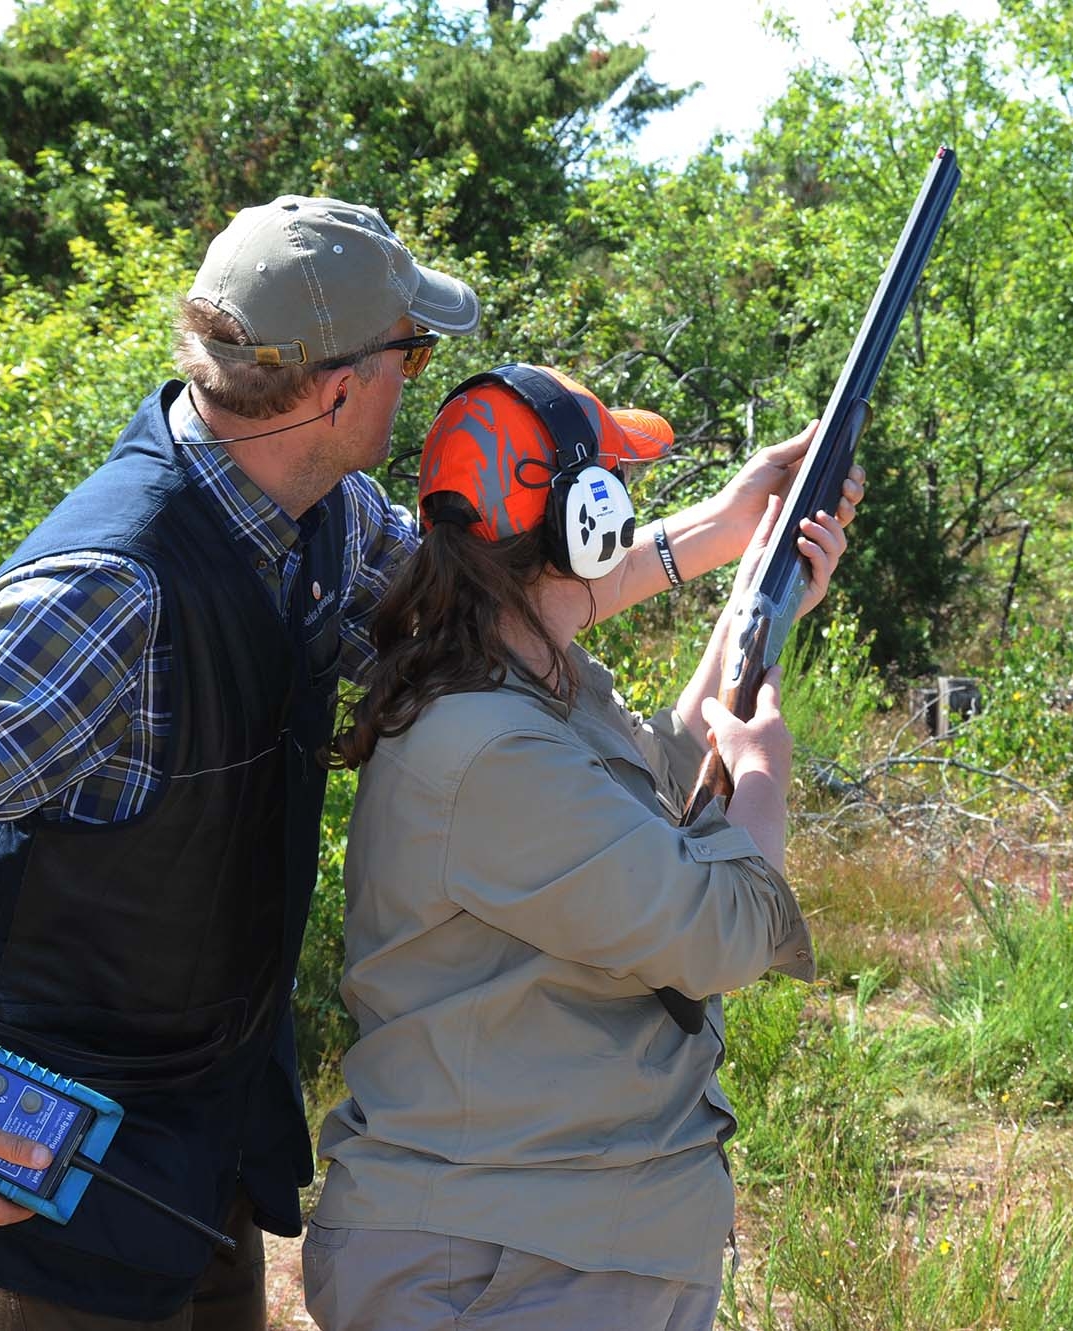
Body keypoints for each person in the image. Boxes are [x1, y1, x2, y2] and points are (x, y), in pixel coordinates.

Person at [0, 198, 864, 1329]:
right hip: (39, 1157)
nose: (421, 377)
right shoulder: (112, 587)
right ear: (339, 388)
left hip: (194, 1137)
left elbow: (501, 598)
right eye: (413, 352)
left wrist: (734, 536)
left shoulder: (321, 517)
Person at [304, 364, 844, 1331]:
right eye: (617, 492)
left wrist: (760, 597)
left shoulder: (521, 689)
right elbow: (715, 927)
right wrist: (762, 774)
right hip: (506, 1264)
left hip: (541, 1247)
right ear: (584, 522)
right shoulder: (498, 745)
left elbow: (655, 795)